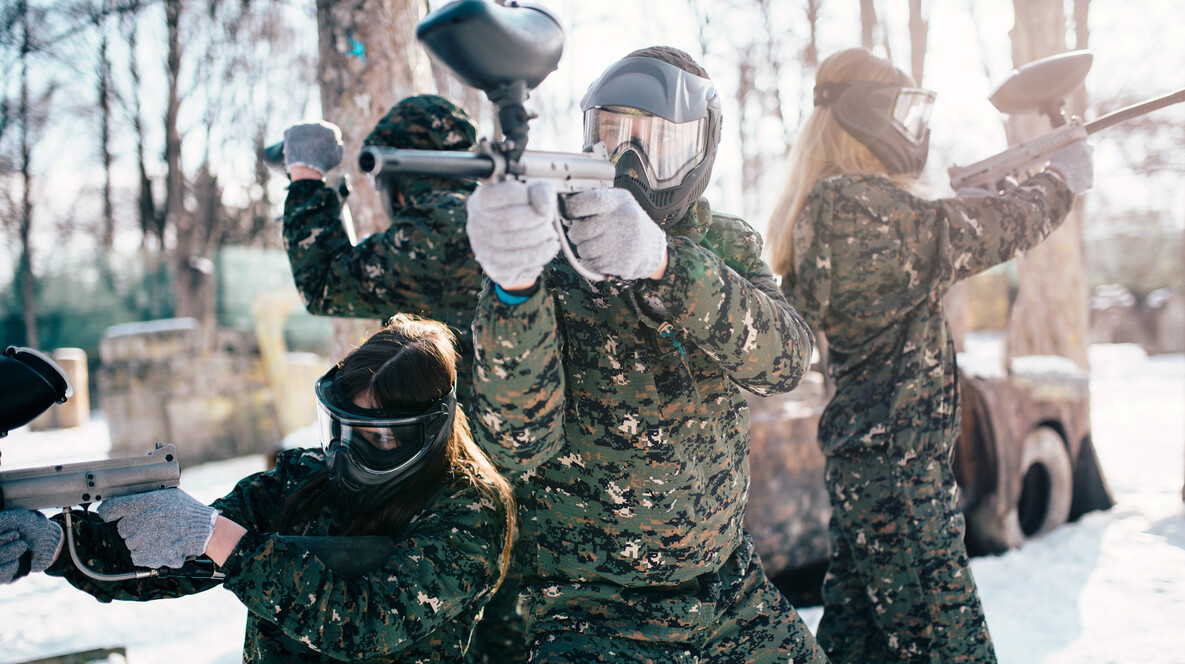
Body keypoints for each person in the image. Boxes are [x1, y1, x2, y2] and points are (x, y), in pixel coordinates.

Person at [464, 46, 829, 663]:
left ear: (700, 151)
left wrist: (665, 264)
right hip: (593, 612)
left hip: (729, 591)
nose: (628, 161)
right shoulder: (548, 258)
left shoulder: (722, 243)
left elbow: (787, 362)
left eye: (655, 142)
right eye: (611, 137)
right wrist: (514, 288)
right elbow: (515, 443)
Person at [764, 47, 1094, 663]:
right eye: (899, 113)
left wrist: (984, 194)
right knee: (952, 650)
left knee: (855, 649)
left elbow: (940, 236)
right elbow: (981, 232)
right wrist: (1058, 182)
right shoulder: (860, 209)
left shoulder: (829, 207)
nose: (911, 130)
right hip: (901, 482)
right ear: (865, 117)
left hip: (869, 472)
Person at [0, 315, 515, 664]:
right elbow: (175, 556)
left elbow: (366, 623)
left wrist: (225, 541)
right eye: (341, 429)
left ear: (429, 432)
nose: (347, 453)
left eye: (377, 437)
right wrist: (60, 546)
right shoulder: (305, 478)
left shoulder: (468, 509)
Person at [279, 95, 528, 663]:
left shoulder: (438, 223)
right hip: (530, 462)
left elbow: (326, 283)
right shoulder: (503, 213)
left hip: (450, 468)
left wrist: (307, 179)